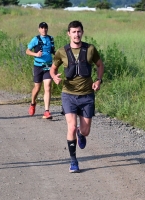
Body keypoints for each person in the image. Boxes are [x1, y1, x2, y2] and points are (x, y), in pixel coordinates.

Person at [49, 20, 104, 173]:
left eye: (79, 31)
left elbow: (100, 65)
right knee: (71, 126)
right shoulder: (62, 52)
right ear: (69, 34)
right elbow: (52, 69)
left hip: (87, 95)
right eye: (73, 32)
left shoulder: (90, 49)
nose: (76, 34)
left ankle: (81, 134)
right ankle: (73, 161)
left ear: (82, 32)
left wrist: (98, 80)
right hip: (69, 95)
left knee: (85, 131)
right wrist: (54, 77)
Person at [26, 22, 55, 119]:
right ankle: (33, 103)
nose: (44, 30)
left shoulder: (51, 39)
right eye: (42, 28)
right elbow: (27, 51)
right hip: (38, 66)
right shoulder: (36, 39)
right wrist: (35, 54)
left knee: (47, 87)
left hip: (48, 66)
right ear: (39, 29)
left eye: (45, 28)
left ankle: (47, 111)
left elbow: (53, 51)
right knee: (37, 88)